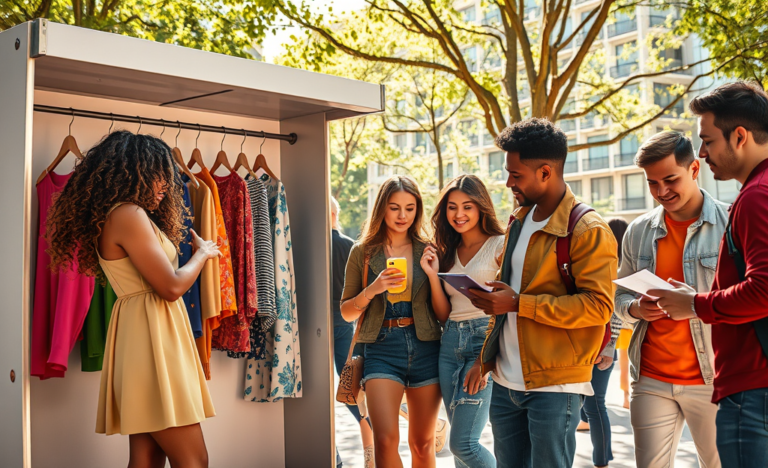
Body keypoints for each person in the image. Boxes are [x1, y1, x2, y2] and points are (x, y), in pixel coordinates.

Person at [45, 131, 219, 468]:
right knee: (194, 460)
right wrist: (201, 254)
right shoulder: (127, 214)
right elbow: (170, 287)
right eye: (159, 177)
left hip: (145, 334)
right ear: (134, 172)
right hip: (152, 339)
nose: (165, 186)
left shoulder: (121, 214)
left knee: (146, 461)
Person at [468, 118, 617, 468]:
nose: (508, 183)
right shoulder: (518, 219)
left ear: (546, 172)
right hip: (506, 382)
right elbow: (510, 294)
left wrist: (519, 303)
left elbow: (598, 307)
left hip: (555, 385)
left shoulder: (588, 229)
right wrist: (486, 356)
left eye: (516, 175)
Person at [650, 81, 768, 468]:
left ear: (739, 137)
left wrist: (695, 304)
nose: (700, 151)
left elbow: (764, 290)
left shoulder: (755, 196)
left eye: (708, 140)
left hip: (752, 387)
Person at [614, 131, 725, 468]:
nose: (661, 191)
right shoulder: (638, 231)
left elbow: (748, 298)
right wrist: (635, 308)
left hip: (714, 380)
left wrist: (696, 302)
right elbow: (619, 297)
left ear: (694, 169)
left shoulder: (730, 222)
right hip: (651, 378)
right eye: (652, 183)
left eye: (670, 179)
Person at [340, 175, 442, 468]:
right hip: (381, 347)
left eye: (410, 208)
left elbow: (442, 310)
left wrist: (433, 274)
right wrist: (374, 288)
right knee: (384, 441)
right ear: (382, 208)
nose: (402, 216)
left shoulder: (429, 249)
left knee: (422, 444)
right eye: (395, 207)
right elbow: (347, 312)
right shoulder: (363, 251)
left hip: (426, 345)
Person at [421, 174, 504, 468]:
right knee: (460, 450)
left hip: (483, 339)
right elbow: (445, 314)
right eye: (452, 207)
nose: (459, 214)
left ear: (481, 207)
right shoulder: (446, 252)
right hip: (450, 343)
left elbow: (507, 306)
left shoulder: (500, 245)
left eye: (467, 207)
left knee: (463, 444)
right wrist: (433, 275)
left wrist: (486, 357)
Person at [331, 196, 374, 468]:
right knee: (352, 387)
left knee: (338, 390)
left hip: (318, 325)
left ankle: (333, 456)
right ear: (336, 213)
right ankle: (370, 455)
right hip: (346, 324)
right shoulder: (350, 246)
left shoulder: (312, 245)